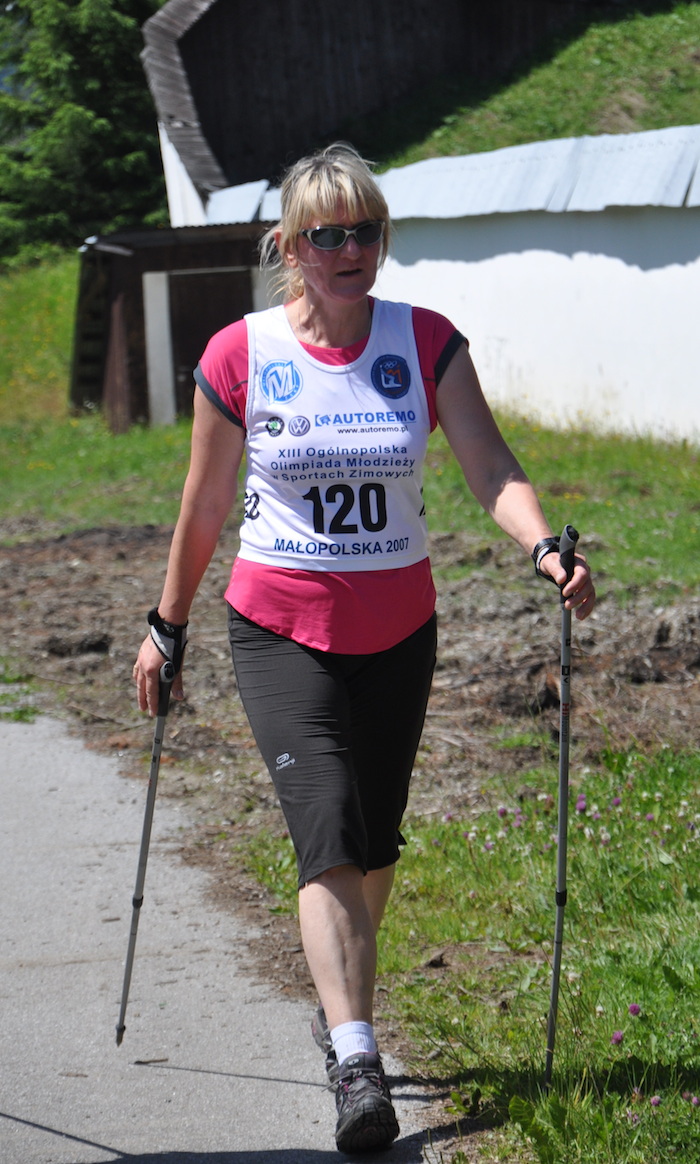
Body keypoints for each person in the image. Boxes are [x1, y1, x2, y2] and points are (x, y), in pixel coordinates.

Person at [133, 142, 595, 1154]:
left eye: (367, 232)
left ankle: (337, 1000)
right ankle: (355, 1058)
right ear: (289, 247)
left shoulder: (424, 341)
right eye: (327, 235)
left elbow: (488, 464)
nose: (350, 250)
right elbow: (204, 505)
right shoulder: (240, 354)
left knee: (375, 839)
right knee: (330, 830)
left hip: (396, 630)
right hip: (277, 628)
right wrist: (167, 625)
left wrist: (541, 548)